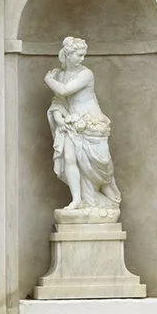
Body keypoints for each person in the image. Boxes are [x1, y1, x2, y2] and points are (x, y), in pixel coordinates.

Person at [45, 37, 122, 213]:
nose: (82, 59)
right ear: (68, 54)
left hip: (92, 124)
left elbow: (63, 90)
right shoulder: (61, 75)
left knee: (102, 163)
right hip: (71, 124)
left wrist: (47, 79)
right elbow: (58, 101)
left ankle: (105, 189)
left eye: (83, 55)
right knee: (70, 159)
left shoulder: (86, 74)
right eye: (79, 55)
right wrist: (59, 120)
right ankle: (77, 200)